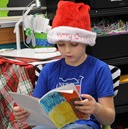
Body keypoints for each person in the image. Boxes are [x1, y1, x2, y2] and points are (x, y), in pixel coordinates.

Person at [12, 1, 115, 129]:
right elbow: (38, 110)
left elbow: (109, 118)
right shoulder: (48, 69)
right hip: (52, 125)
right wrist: (25, 113)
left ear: (85, 42)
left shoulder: (99, 69)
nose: (67, 50)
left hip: (83, 125)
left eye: (74, 44)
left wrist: (96, 108)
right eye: (61, 44)